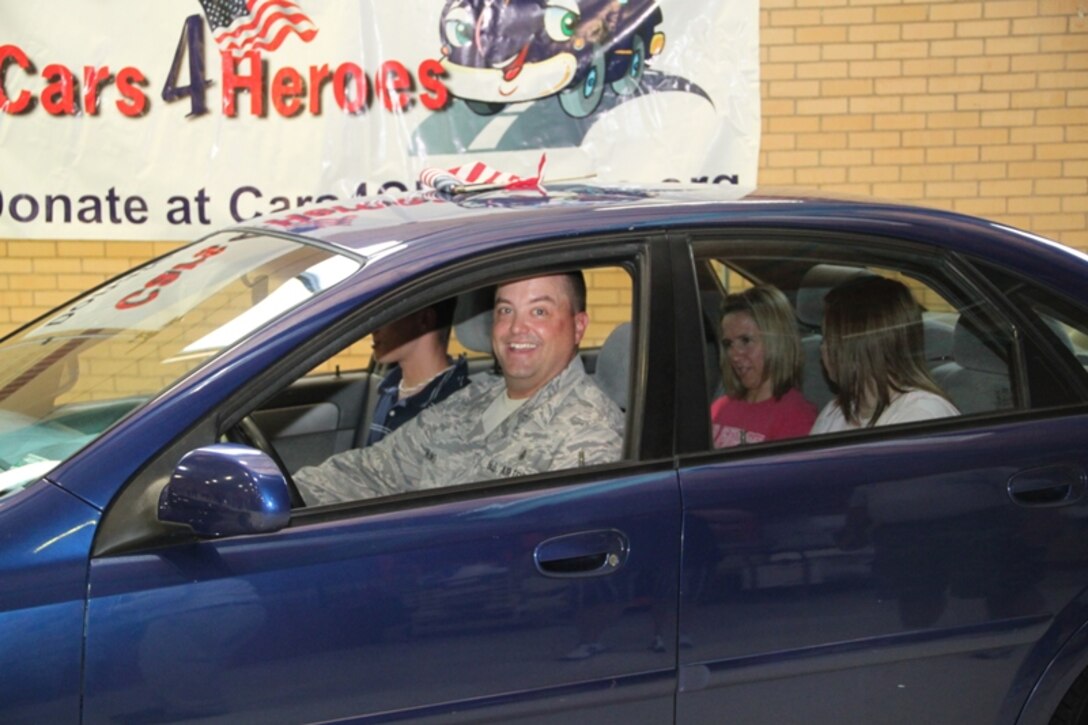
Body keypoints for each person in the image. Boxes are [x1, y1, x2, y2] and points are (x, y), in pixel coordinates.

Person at [294, 272, 625, 505]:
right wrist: (287, 495)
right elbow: (373, 471)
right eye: (505, 310)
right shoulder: (472, 398)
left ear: (578, 326)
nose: (515, 329)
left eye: (539, 311)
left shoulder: (590, 434)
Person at [811, 275, 959, 433]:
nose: (823, 348)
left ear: (856, 345)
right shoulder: (836, 412)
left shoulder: (921, 415)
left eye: (828, 338)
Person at [710, 285, 817, 447]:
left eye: (746, 341)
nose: (734, 354)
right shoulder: (720, 407)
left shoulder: (796, 416)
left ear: (776, 341)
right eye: (728, 344)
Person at [365, 299, 469, 445]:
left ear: (424, 320)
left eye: (385, 315)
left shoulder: (455, 406)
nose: (373, 327)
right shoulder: (390, 389)